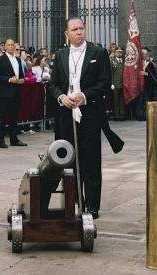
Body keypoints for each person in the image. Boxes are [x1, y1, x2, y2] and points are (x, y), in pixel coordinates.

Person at [49, 17, 122, 219]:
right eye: (75, 29)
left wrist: (84, 96)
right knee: (69, 160)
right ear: (67, 34)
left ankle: (92, 205)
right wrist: (61, 97)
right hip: (66, 115)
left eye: (82, 28)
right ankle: (73, 201)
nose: (79, 32)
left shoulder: (97, 53)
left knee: (91, 160)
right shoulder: (61, 55)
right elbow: (53, 84)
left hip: (90, 114)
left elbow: (105, 83)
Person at [0, 38, 28, 148]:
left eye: (13, 45)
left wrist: (22, 80)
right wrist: (9, 79)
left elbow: (22, 75)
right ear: (5, 47)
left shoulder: (18, 60)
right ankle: (1, 140)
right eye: (9, 45)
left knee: (14, 117)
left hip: (16, 92)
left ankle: (14, 139)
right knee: (2, 117)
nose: (11, 47)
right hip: (4, 92)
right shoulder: (0, 59)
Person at [108, 45, 126, 120]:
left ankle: (122, 114)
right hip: (115, 83)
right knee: (115, 100)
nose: (119, 54)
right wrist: (111, 83)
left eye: (120, 52)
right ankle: (116, 114)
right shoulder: (112, 61)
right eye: (117, 52)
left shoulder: (124, 61)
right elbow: (110, 73)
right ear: (115, 53)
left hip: (123, 84)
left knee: (122, 100)